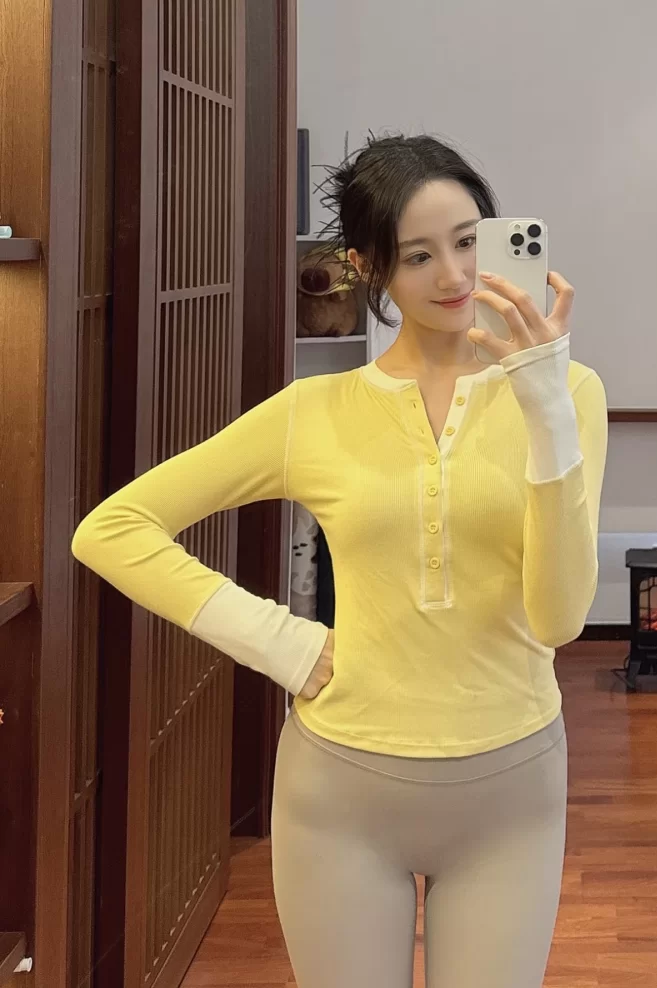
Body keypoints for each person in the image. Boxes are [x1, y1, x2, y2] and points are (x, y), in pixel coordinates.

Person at [72, 133, 608, 988]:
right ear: (367, 268)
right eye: (418, 255)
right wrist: (277, 639)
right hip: (342, 792)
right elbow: (113, 528)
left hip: (513, 783)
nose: (454, 276)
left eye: (467, 241)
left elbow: (559, 618)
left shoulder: (571, 395)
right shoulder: (313, 412)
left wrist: (544, 408)